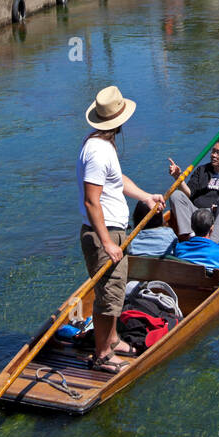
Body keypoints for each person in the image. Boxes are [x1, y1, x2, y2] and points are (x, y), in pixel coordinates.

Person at [77, 85, 164, 374]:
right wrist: (108, 243)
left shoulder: (103, 145)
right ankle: (102, 355)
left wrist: (145, 196)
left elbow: (116, 180)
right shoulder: (98, 152)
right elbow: (92, 201)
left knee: (113, 291)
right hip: (106, 233)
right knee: (109, 295)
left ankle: (112, 339)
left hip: (114, 231)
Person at [166, 137, 219, 244]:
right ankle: (189, 238)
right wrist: (178, 178)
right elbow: (189, 193)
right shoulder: (202, 171)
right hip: (197, 215)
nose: (213, 155)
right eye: (213, 152)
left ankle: (213, 243)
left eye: (218, 153)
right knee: (176, 195)